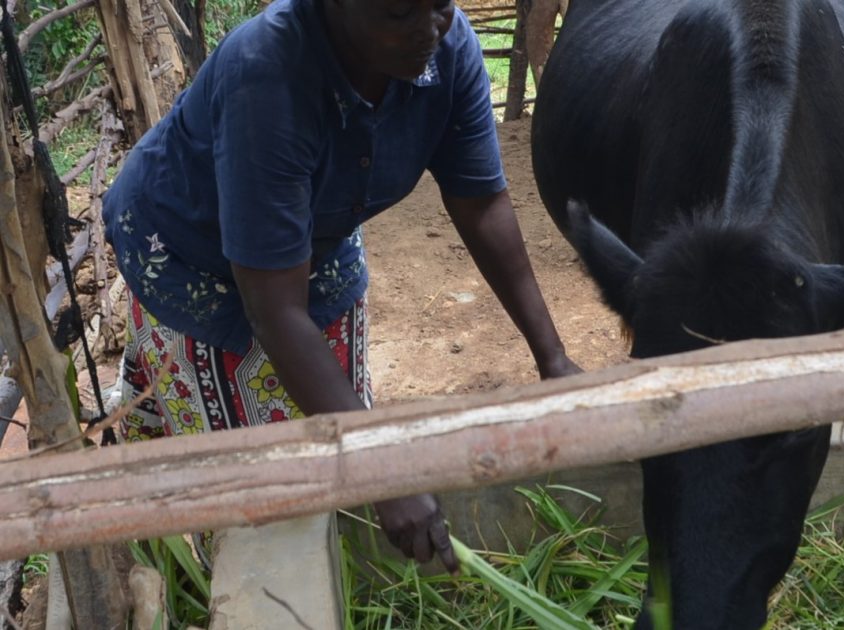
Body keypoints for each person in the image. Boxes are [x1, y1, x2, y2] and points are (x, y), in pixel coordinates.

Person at [101, 0, 580, 574]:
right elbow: (274, 310)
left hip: (318, 242)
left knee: (333, 438)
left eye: (441, 4)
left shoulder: (448, 51)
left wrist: (553, 358)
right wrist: (380, 466)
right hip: (189, 254)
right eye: (399, 14)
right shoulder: (268, 73)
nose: (430, 30)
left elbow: (480, 203)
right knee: (250, 494)